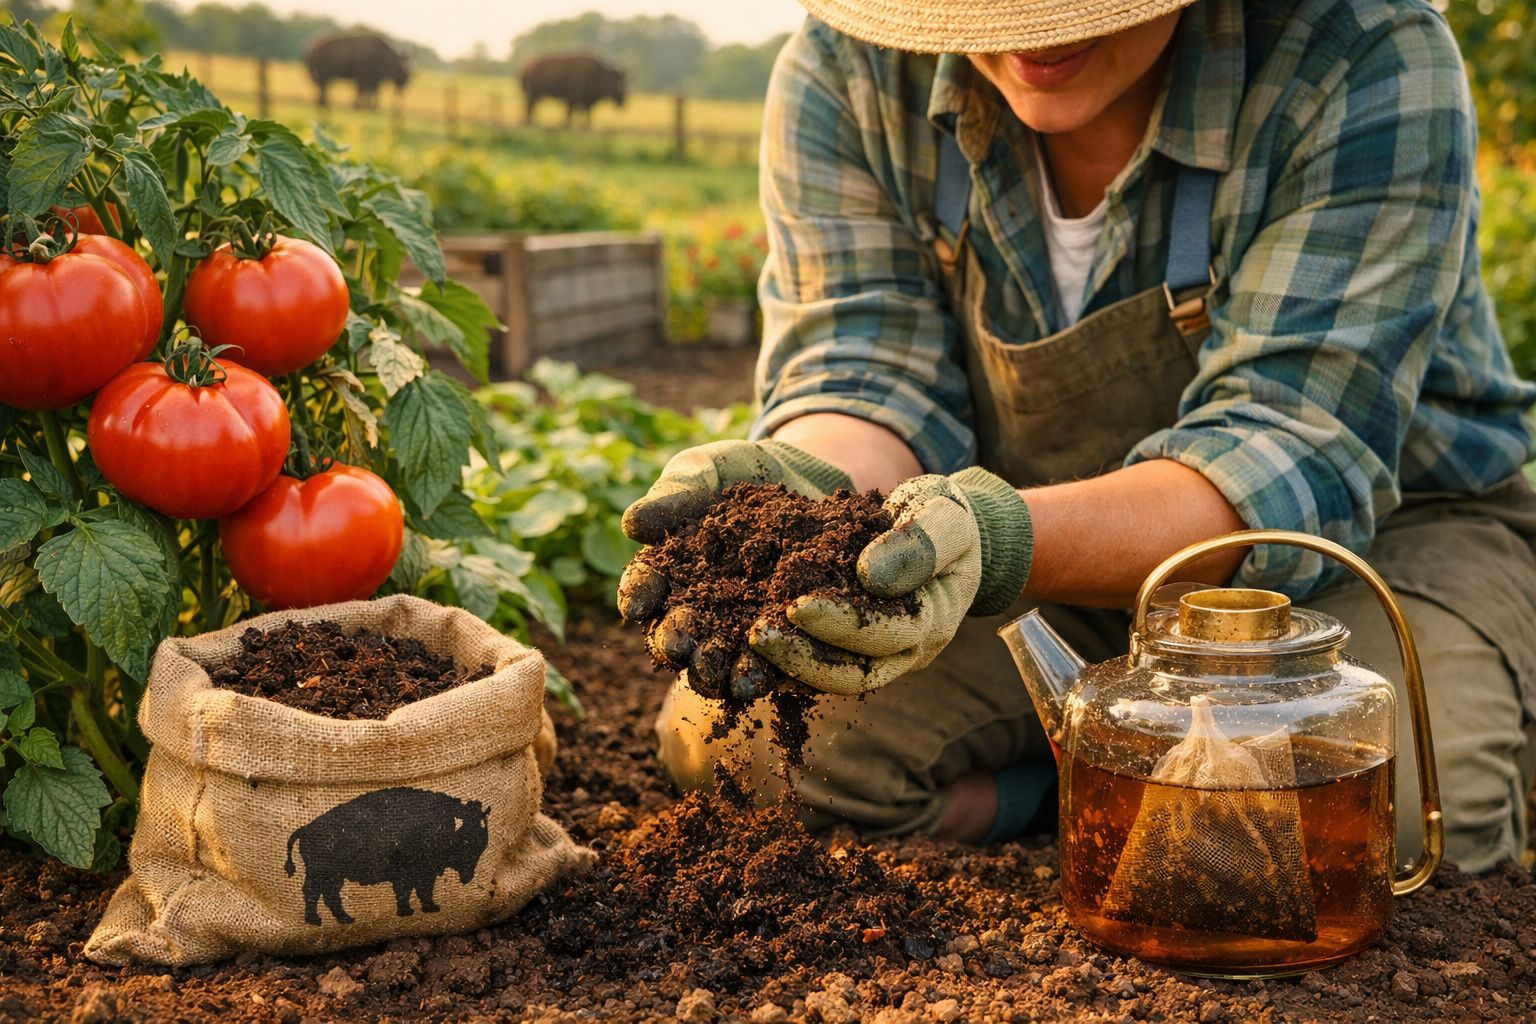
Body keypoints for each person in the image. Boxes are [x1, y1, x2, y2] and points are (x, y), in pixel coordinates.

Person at [619, 0, 1536, 873]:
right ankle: (1098, 789)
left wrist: (1001, 537)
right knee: (740, 745)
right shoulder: (852, 69)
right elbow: (866, 366)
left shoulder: (1360, 54)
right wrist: (803, 500)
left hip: (1371, 544)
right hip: (1021, 550)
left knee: (1392, 817)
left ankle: (1154, 772)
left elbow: (1289, 445)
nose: (1029, 37)